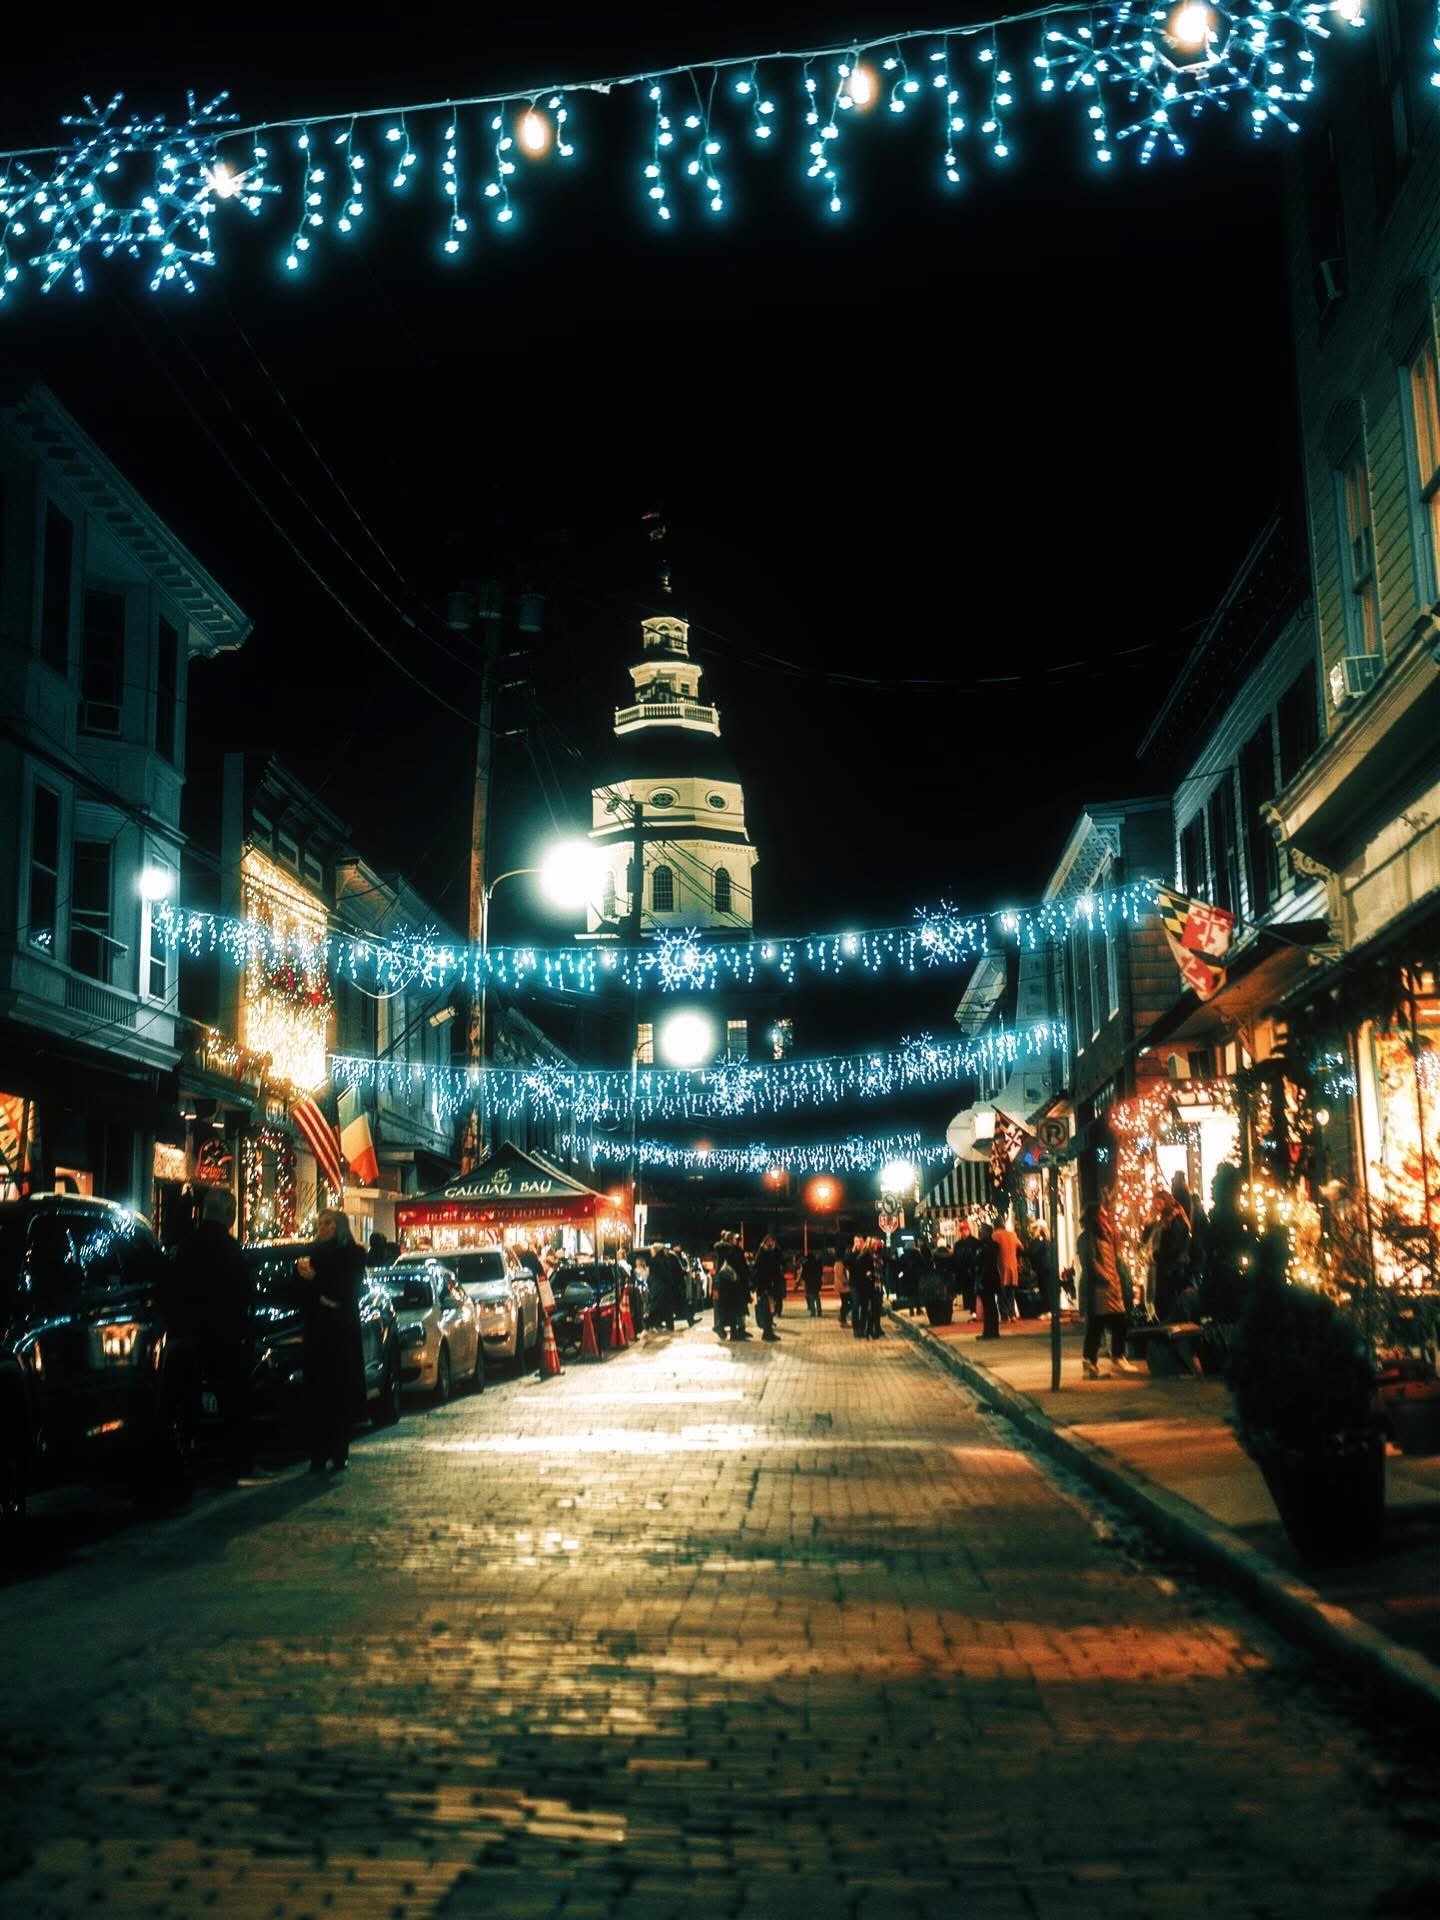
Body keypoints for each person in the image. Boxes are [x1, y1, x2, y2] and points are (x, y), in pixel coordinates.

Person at [170, 1186, 254, 1479]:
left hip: (188, 1337)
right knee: (234, 1403)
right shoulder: (231, 1251)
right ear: (230, 1215)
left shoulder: (185, 1248)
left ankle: (192, 1459)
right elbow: (243, 1294)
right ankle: (236, 1462)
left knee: (187, 1404)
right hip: (223, 1337)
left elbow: (173, 1291)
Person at [296, 1208, 367, 1471]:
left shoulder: (353, 1254)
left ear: (339, 1227)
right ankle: (318, 1453)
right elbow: (306, 1294)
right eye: (320, 1223)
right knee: (318, 1393)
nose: (323, 1228)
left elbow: (347, 1291)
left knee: (339, 1392)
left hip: (341, 1333)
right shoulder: (313, 1253)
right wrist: (321, 1294)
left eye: (328, 1223)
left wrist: (318, 1284)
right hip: (318, 1332)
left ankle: (338, 1451)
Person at [1078, 1200, 1135, 1378]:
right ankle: (1109, 1358)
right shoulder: (1087, 1237)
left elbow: (1113, 1257)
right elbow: (1090, 1262)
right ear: (1094, 1217)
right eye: (1101, 1214)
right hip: (1099, 1289)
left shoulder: (1105, 1235)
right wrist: (1106, 1277)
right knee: (1108, 1323)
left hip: (1110, 1287)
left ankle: (1093, 1361)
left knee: (1105, 1323)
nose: (1105, 1217)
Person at [1151, 1188, 1193, 1321]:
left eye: (1158, 1203)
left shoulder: (1176, 1221)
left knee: (1170, 1303)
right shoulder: (1166, 1221)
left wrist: (1159, 1256)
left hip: (1172, 1270)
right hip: (1169, 1268)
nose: (1156, 1207)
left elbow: (1174, 1247)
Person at [992, 1214, 1023, 1320]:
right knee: (1011, 1292)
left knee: (1002, 1293)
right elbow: (1021, 1247)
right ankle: (1012, 1314)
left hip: (1001, 1268)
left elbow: (992, 1250)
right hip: (1013, 1267)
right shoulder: (1012, 1234)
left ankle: (1005, 1315)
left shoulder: (995, 1235)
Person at [752, 1236, 785, 1333]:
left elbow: (779, 1263)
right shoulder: (763, 1253)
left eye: (773, 1241)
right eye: (769, 1242)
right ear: (765, 1242)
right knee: (767, 1306)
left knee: (771, 1305)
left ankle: (768, 1326)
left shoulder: (773, 1252)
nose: (771, 1243)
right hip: (765, 1284)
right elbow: (760, 1269)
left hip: (771, 1284)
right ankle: (767, 1329)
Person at [975, 1221, 1002, 1340]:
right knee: (990, 1305)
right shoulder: (991, 1245)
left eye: (982, 1231)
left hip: (986, 1278)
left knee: (989, 1305)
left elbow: (984, 1263)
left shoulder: (986, 1246)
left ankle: (990, 1332)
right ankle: (992, 1331)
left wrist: (980, 1278)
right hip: (991, 1277)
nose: (981, 1233)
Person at [801, 1247, 824, 1317]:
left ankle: (813, 1312)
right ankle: (819, 1311)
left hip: (809, 1283)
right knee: (817, 1296)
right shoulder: (818, 1264)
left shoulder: (806, 1265)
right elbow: (821, 1272)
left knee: (811, 1297)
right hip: (817, 1283)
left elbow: (803, 1275)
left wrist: (804, 1281)